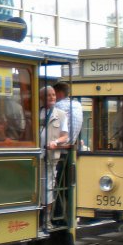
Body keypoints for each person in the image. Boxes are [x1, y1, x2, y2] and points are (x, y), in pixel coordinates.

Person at [40, 86, 68, 224]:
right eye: (48, 95)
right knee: (37, 186)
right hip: (37, 156)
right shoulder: (36, 113)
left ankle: (47, 219)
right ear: (41, 98)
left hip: (51, 157)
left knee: (48, 187)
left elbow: (65, 136)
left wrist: (55, 142)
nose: (52, 97)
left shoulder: (61, 114)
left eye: (53, 95)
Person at [53, 82, 83, 146]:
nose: (53, 97)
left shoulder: (57, 105)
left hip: (57, 144)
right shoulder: (78, 105)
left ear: (60, 93)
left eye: (54, 94)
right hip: (71, 144)